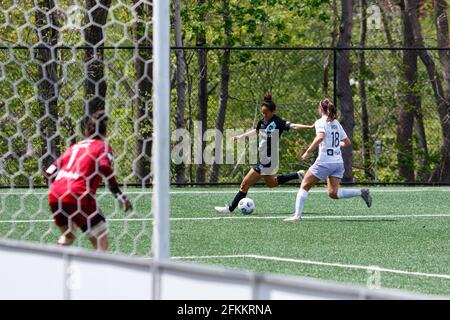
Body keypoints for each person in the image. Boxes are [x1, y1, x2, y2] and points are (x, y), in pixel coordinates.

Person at [45, 111, 132, 250]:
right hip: (78, 194)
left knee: (68, 235)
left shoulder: (74, 147)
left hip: (55, 194)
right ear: (105, 133)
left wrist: (60, 189)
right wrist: (118, 193)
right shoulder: (101, 147)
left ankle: (55, 264)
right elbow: (104, 166)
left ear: (86, 132)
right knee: (101, 238)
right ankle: (97, 271)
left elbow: (49, 172)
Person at [215, 94, 314, 214]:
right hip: (263, 158)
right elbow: (256, 131)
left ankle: (230, 208)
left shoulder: (278, 122)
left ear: (273, 111)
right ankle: (297, 175)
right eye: (263, 113)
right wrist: (240, 136)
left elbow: (293, 126)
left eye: (266, 113)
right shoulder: (262, 121)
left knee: (244, 184)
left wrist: (309, 126)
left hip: (268, 159)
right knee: (272, 183)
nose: (264, 115)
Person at [284, 98, 372, 222]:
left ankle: (297, 216)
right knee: (333, 193)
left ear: (321, 109)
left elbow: (320, 137)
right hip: (338, 163)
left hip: (325, 162)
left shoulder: (320, 122)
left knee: (304, 185)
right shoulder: (336, 123)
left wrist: (307, 152)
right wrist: (334, 145)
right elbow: (347, 142)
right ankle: (361, 192)